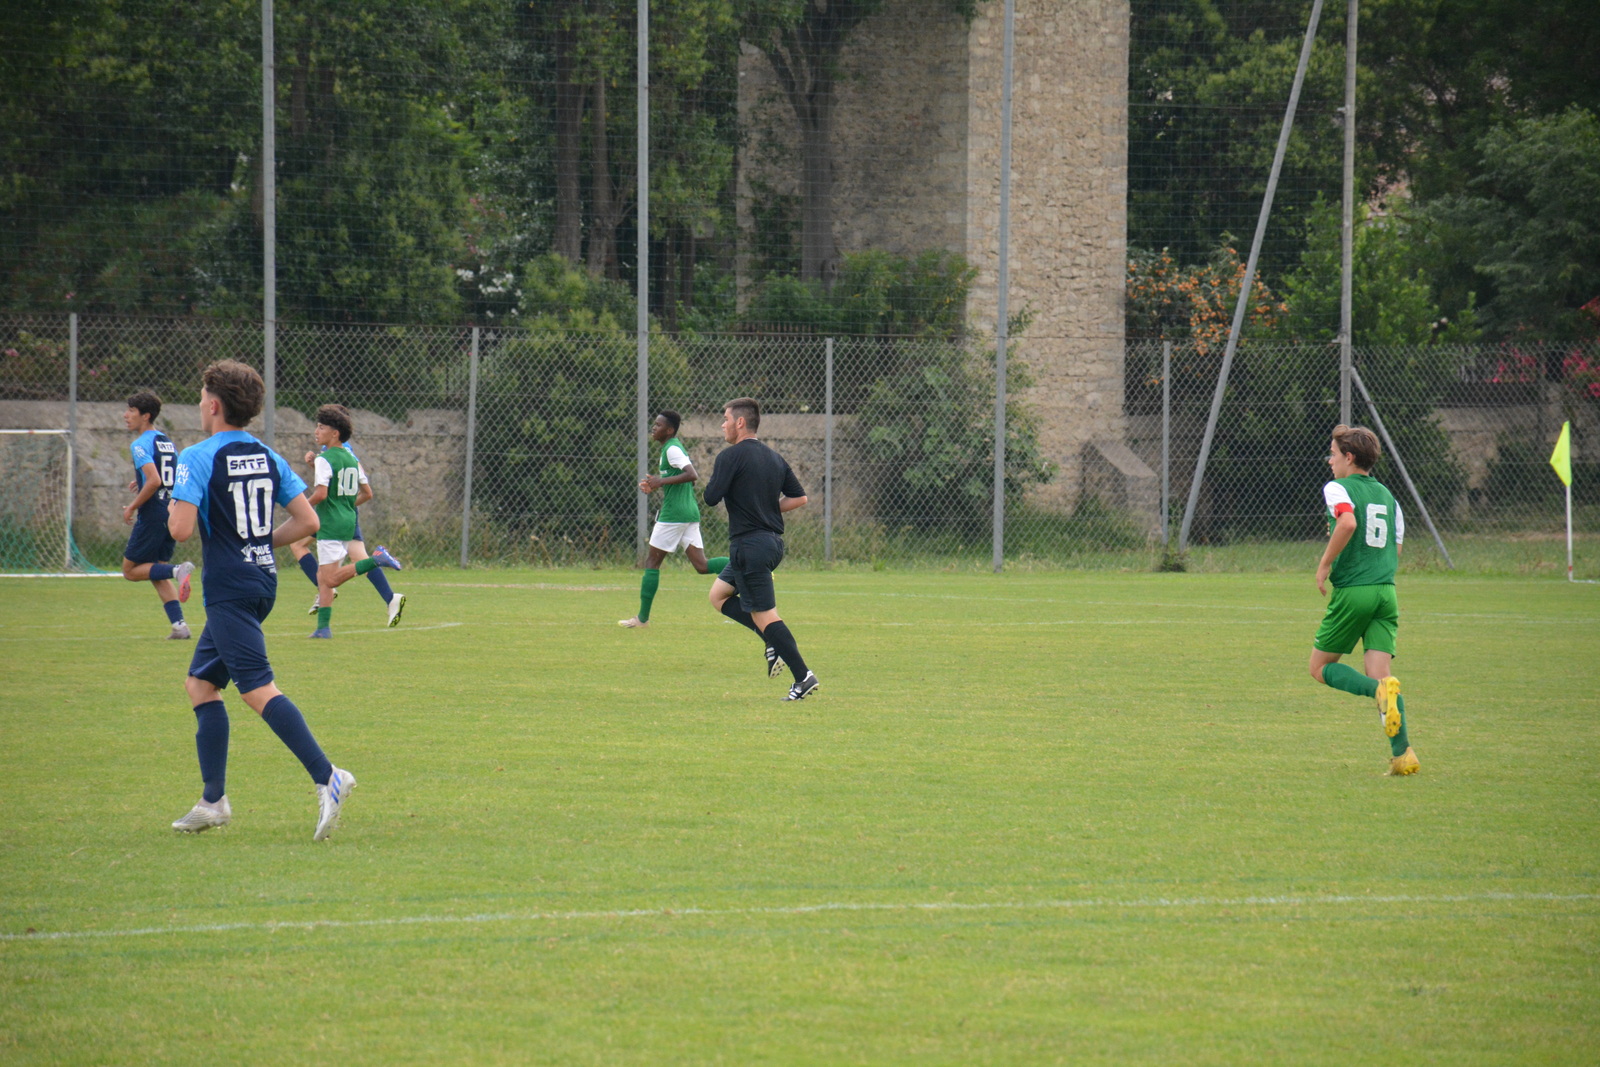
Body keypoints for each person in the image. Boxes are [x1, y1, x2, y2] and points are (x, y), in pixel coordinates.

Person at [166, 360, 356, 839]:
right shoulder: (266, 454)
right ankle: (212, 801)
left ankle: (328, 775)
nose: (199, 405)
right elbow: (308, 522)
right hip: (262, 583)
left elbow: (181, 529)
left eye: (201, 397)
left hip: (229, 588)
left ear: (213, 405)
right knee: (200, 685)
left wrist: (173, 503)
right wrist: (257, 542)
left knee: (256, 689)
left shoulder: (197, 456)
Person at [1307, 423, 1419, 776]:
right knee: (1384, 678)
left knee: (1319, 668)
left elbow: (1348, 524)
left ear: (1349, 457)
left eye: (1333, 455)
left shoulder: (1338, 488)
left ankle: (1375, 691)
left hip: (1355, 591)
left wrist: (1325, 564)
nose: (1330, 461)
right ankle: (1403, 755)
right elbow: (1395, 548)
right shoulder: (1389, 497)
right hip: (1387, 592)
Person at [702, 397, 819, 701]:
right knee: (718, 596)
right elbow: (799, 498)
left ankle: (803, 677)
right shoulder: (774, 457)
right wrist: (766, 508)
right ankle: (770, 640)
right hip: (770, 544)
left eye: (726, 419)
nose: (722, 425)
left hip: (750, 546)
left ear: (740, 422)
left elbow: (711, 497)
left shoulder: (730, 456)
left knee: (766, 615)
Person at [289, 407, 406, 627]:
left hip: (335, 514)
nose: (317, 430)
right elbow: (351, 484)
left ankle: (327, 593)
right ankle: (389, 598)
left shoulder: (339, 451)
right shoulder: (338, 452)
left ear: (336, 431)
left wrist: (330, 504)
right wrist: (315, 464)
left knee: (305, 550)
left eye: (322, 426)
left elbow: (330, 486)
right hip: (345, 513)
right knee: (355, 558)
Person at [619, 411, 730, 628]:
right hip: (688, 512)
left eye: (658, 425)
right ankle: (748, 566)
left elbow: (692, 475)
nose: (654, 428)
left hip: (674, 514)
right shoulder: (673, 447)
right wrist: (657, 484)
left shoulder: (671, 449)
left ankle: (642, 619)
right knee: (702, 565)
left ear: (669, 430)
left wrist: (660, 481)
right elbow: (686, 481)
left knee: (652, 562)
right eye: (654, 424)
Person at [119, 391, 192, 638]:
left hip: (152, 514)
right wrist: (140, 481)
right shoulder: (165, 441)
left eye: (131, 411)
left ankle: (178, 570)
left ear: (145, 416)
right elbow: (171, 475)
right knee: (156, 571)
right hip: (171, 511)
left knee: (130, 570)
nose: (126, 415)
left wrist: (132, 506)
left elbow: (154, 480)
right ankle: (179, 627)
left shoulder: (140, 444)